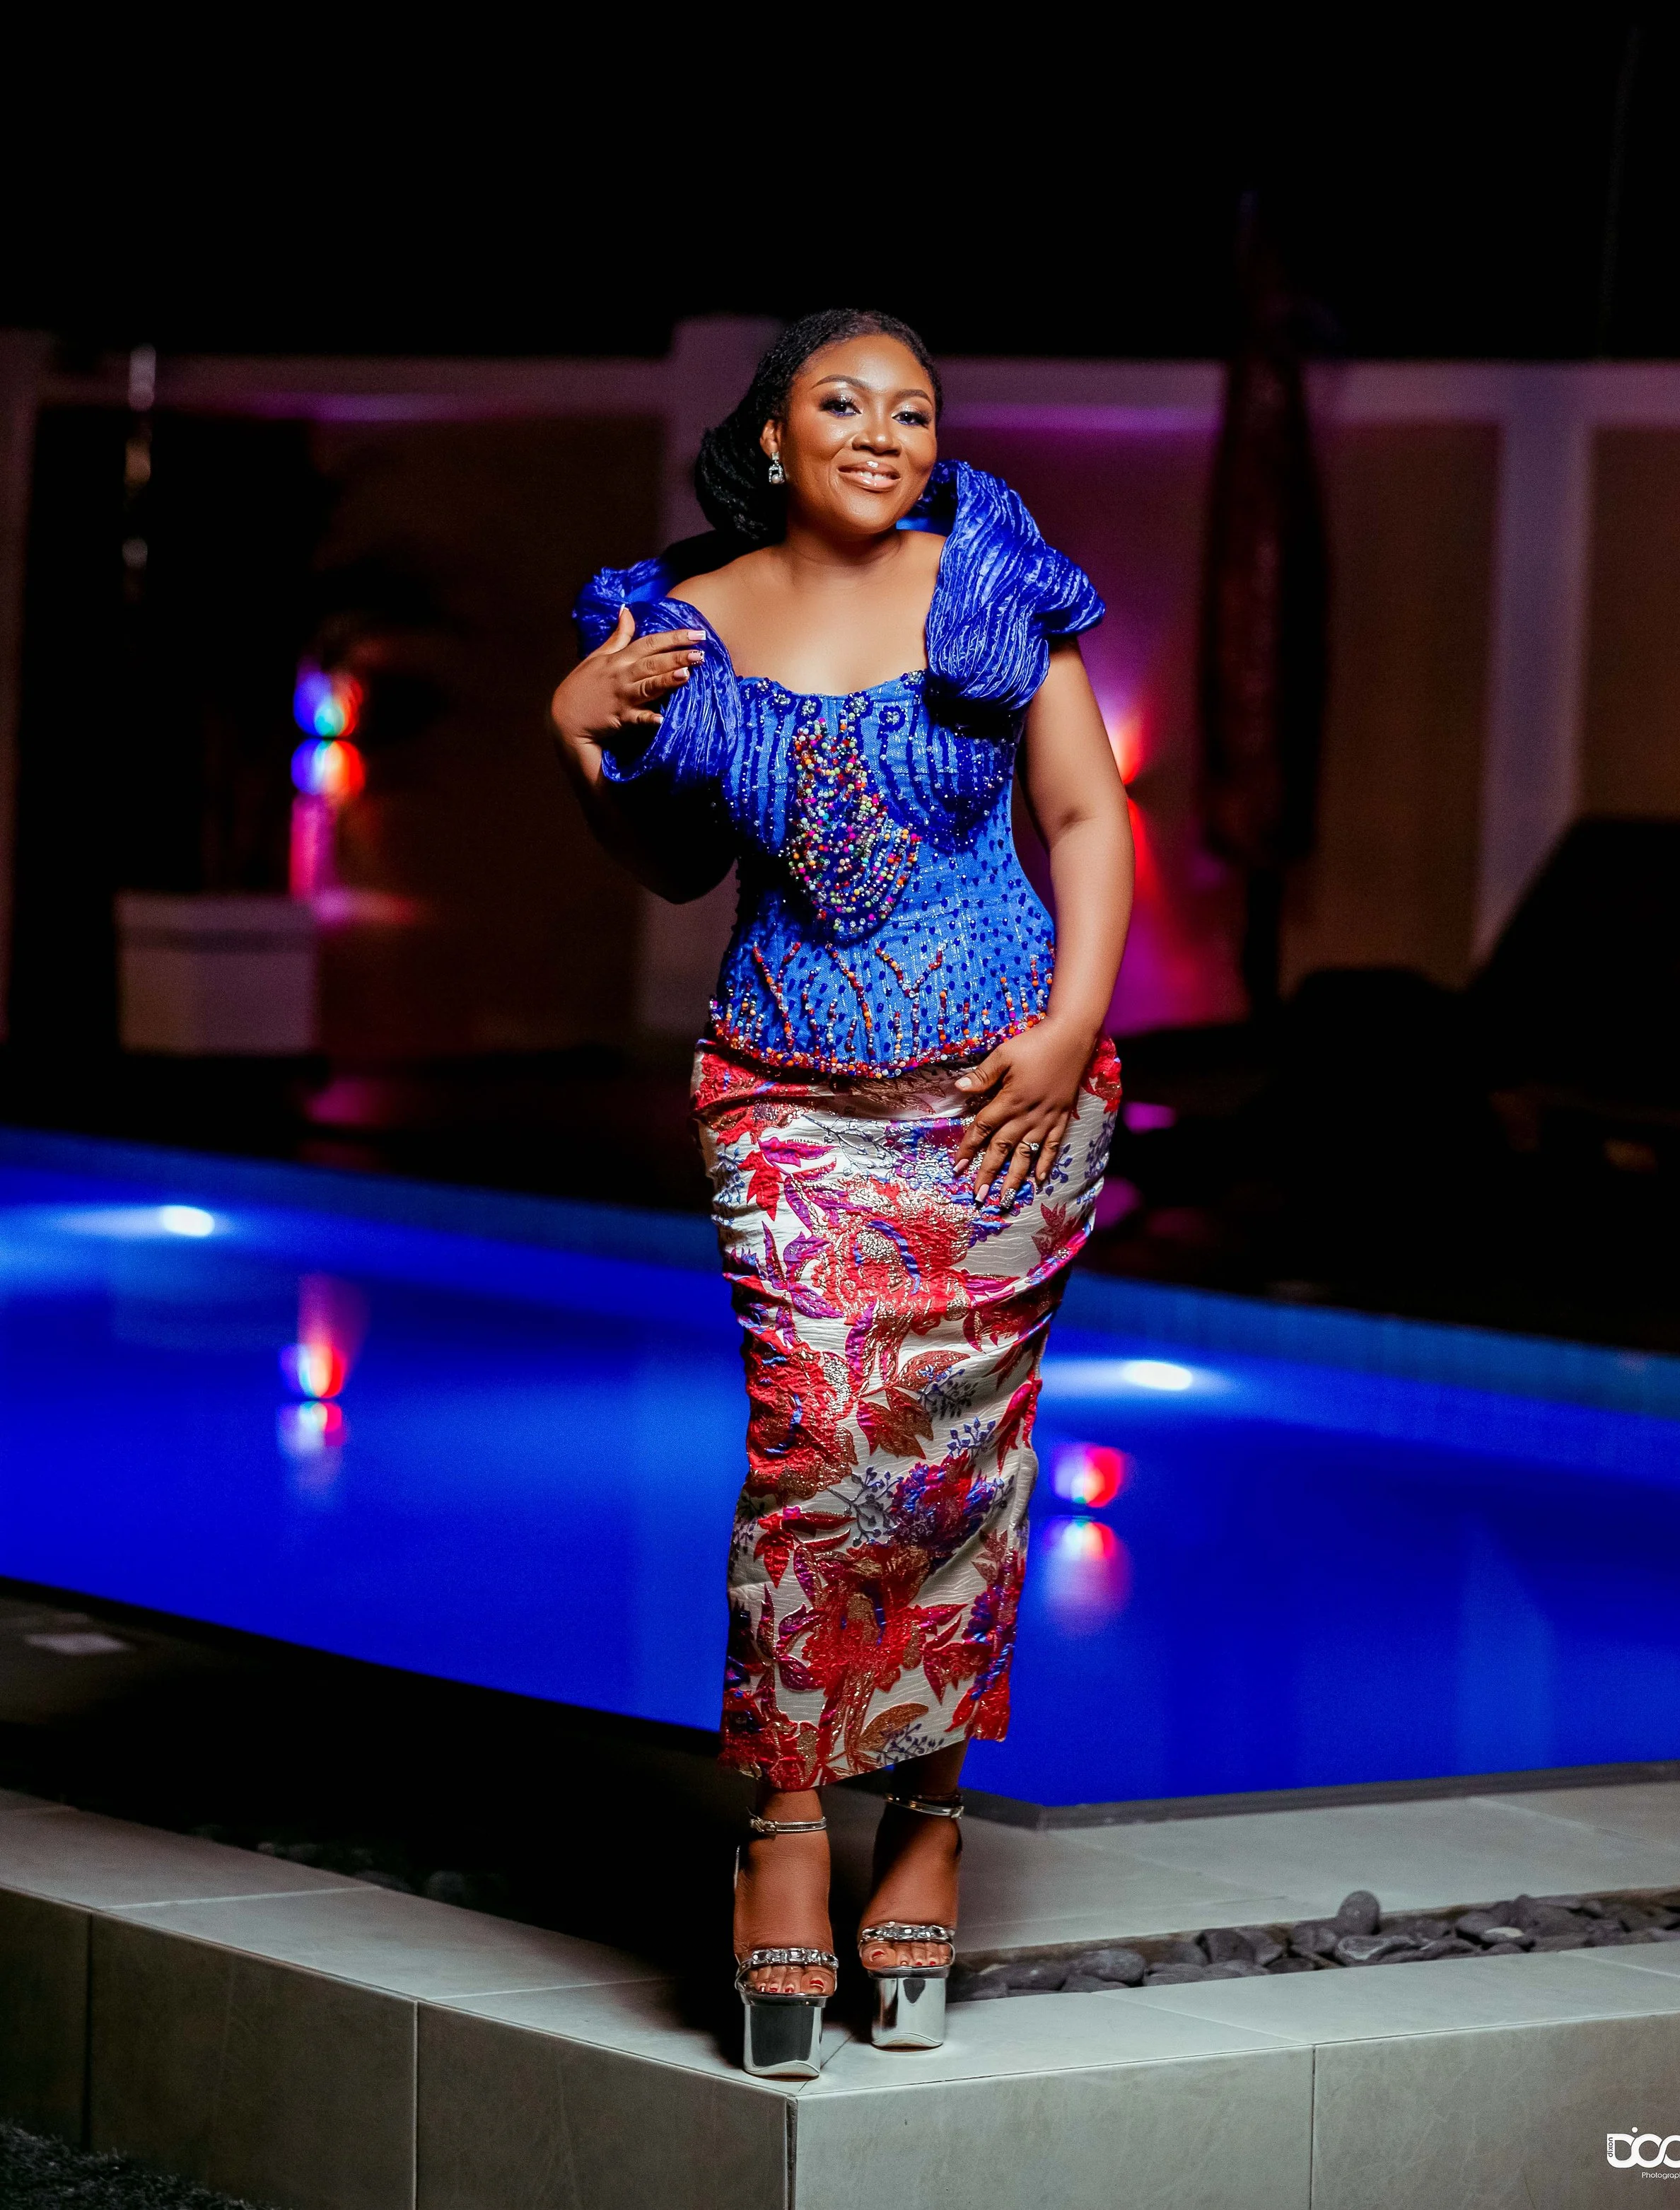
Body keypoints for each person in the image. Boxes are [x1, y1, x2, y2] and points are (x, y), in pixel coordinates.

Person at [552, 309, 1132, 2076]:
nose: (882, 430)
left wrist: (1069, 1030)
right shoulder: (678, 623)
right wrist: (578, 724)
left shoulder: (996, 583)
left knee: (956, 1462)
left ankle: (931, 1815)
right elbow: (669, 866)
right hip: (785, 1095)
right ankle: (786, 1827)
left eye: (913, 408)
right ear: (775, 439)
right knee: (821, 1447)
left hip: (1001, 1104)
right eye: (842, 402)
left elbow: (1088, 821)